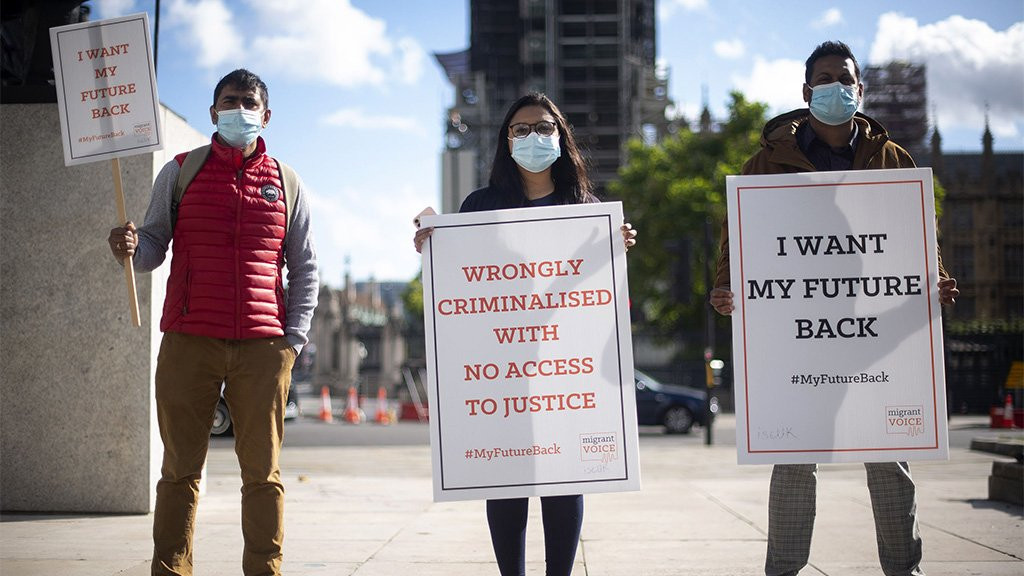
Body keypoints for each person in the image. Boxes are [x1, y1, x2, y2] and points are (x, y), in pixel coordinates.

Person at [710, 41, 959, 576]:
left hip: (874, 338)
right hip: (799, 339)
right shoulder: (764, 165)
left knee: (890, 458)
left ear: (859, 90)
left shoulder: (893, 160)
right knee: (795, 462)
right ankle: (783, 569)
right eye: (825, 79)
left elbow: (916, 237)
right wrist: (725, 288)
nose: (836, 87)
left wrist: (935, 279)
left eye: (845, 78)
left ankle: (903, 568)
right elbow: (738, 241)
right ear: (807, 92)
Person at [414, 92, 636, 576]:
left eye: (543, 127)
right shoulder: (480, 206)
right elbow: (458, 281)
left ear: (561, 136)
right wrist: (432, 245)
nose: (533, 137)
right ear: (504, 140)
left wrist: (615, 253)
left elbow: (601, 300)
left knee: (564, 476)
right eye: (520, 129)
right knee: (507, 475)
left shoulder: (587, 208)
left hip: (563, 367)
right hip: (502, 369)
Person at [107, 68, 318, 576]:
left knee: (263, 476)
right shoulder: (179, 172)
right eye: (230, 101)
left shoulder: (288, 183)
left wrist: (293, 339)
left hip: (265, 346)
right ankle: (171, 568)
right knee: (179, 470)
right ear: (212, 112)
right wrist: (130, 251)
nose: (239, 109)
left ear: (266, 115)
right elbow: (153, 246)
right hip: (189, 340)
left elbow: (305, 264)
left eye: (249, 102)